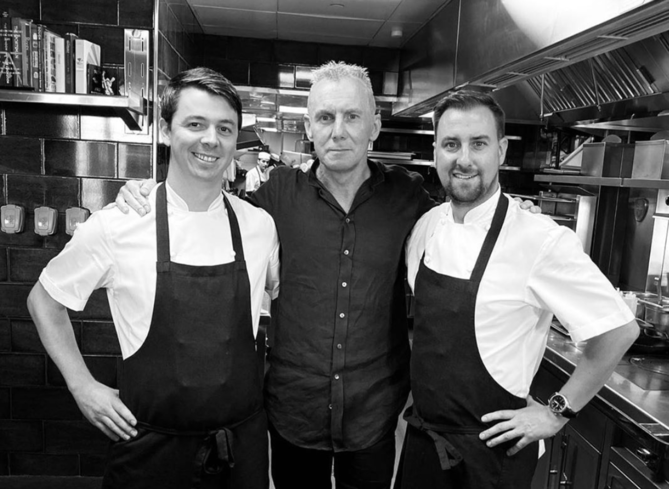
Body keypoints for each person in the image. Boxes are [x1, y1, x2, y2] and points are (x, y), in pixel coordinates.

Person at [114, 63, 539, 489]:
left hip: (373, 417)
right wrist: (148, 195)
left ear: (373, 125)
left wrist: (515, 216)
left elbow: (465, 213)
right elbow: (204, 209)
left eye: (352, 116)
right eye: (325, 117)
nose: (339, 131)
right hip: (293, 414)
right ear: (309, 127)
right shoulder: (274, 198)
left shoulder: (408, 197)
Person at [26, 67, 280, 489]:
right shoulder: (120, 224)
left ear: (237, 140)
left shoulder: (259, 227)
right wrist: (82, 386)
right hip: (150, 453)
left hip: (241, 447)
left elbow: (283, 292)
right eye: (194, 124)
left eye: (225, 128)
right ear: (165, 130)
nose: (211, 140)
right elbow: (44, 300)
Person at [395, 90, 639, 489]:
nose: (465, 159)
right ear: (435, 150)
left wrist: (555, 412)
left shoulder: (539, 238)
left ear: (502, 150)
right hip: (423, 443)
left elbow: (618, 330)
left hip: (492, 457)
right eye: (452, 144)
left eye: (479, 144)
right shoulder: (426, 227)